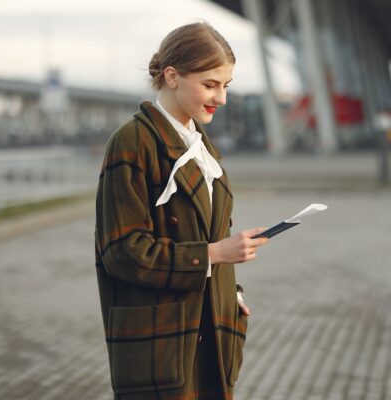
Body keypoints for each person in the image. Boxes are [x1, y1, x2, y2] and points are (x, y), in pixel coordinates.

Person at [94, 22, 269, 400]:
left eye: (226, 85)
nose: (221, 98)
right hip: (162, 340)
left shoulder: (201, 145)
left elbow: (205, 233)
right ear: (172, 76)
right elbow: (121, 251)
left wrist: (230, 294)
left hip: (210, 330)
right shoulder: (132, 142)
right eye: (210, 84)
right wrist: (214, 254)